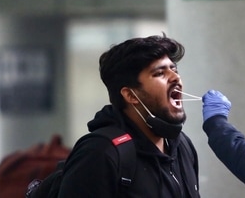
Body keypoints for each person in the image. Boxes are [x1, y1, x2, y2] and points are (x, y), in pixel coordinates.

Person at [58, 34, 200, 197]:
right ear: (131, 96)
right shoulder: (100, 153)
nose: (176, 78)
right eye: (160, 73)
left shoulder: (182, 145)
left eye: (174, 69)